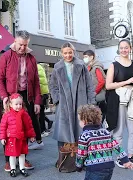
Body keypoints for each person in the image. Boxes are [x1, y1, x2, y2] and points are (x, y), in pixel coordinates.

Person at [0, 30, 42, 171]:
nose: (23, 48)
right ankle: (9, 160)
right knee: (10, 130)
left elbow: (36, 82)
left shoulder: (31, 59)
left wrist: (37, 102)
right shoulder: (6, 56)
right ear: (15, 41)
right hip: (10, 97)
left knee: (25, 128)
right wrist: (4, 97)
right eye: (20, 44)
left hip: (26, 97)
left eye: (25, 45)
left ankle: (22, 157)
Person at [49, 42, 95, 170]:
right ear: (61, 53)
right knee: (62, 132)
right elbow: (52, 86)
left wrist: (91, 103)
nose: (68, 55)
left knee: (81, 132)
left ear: (73, 52)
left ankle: (82, 160)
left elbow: (89, 86)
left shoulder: (81, 65)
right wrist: (57, 99)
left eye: (70, 52)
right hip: (64, 104)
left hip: (80, 102)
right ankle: (63, 159)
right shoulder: (58, 67)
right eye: (65, 53)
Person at [105, 39, 133, 167]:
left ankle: (131, 155)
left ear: (130, 49)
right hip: (119, 100)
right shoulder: (113, 65)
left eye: (126, 47)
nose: (124, 50)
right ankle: (120, 156)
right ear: (119, 49)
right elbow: (108, 85)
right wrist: (128, 81)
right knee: (119, 130)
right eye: (121, 48)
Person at [76, 105, 133, 180]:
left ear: (84, 121)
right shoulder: (106, 132)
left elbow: (81, 154)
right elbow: (117, 147)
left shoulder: (84, 135)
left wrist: (79, 166)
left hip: (94, 168)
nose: (79, 123)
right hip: (109, 167)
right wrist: (125, 161)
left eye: (80, 120)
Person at [0, 93, 36, 177]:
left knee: (22, 154)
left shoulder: (24, 114)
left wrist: (31, 135)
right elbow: (3, 127)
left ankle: (22, 167)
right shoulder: (7, 115)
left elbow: (29, 126)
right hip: (11, 138)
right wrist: (2, 137)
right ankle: (13, 168)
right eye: (16, 104)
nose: (18, 106)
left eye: (20, 104)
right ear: (11, 104)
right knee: (12, 154)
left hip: (22, 138)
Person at [83, 50, 107, 122]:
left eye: (86, 57)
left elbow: (101, 81)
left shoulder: (96, 68)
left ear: (91, 57)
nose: (84, 59)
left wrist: (94, 92)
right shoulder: (89, 68)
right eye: (84, 57)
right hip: (94, 96)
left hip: (98, 97)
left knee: (97, 117)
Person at [37, 63, 53, 137]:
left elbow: (38, 82)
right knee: (41, 112)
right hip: (44, 93)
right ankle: (44, 128)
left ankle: (42, 130)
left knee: (40, 113)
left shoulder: (36, 67)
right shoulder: (41, 68)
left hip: (41, 93)